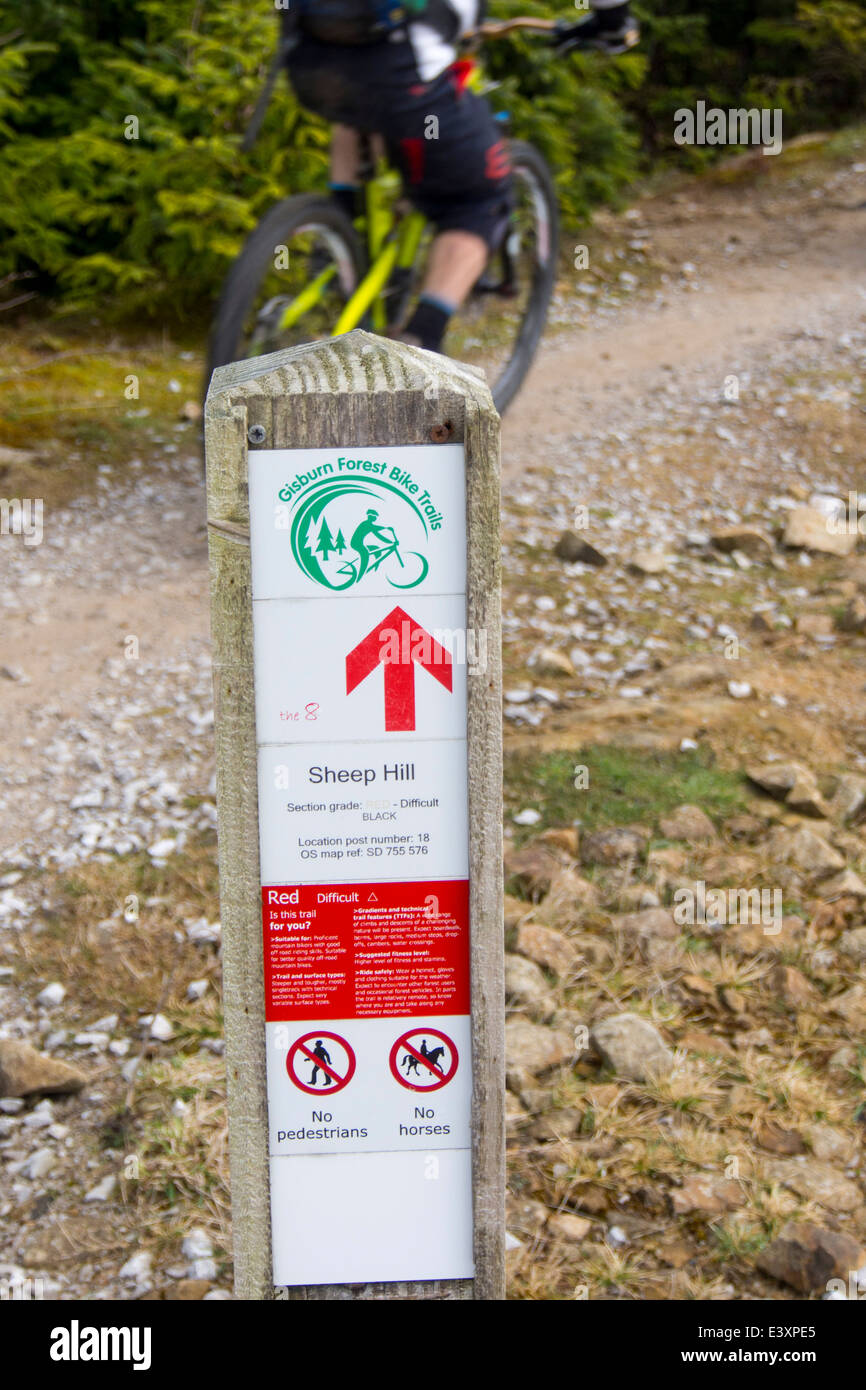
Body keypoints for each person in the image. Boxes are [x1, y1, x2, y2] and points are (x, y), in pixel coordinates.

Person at [280, 2, 639, 352]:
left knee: (359, 108)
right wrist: (612, 19)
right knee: (478, 200)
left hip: (311, 64)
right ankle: (418, 346)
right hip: (402, 69)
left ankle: (334, 244)